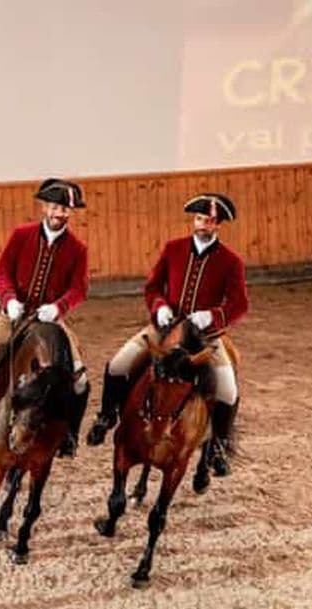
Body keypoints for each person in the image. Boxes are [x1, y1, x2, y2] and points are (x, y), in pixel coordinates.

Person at [87, 193, 248, 476]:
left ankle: (219, 445)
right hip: (165, 329)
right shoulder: (173, 249)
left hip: (205, 337)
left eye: (209, 221)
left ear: (217, 225)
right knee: (118, 364)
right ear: (193, 220)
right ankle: (106, 416)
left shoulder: (230, 261)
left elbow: (239, 304)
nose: (203, 225)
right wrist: (160, 307)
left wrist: (212, 315)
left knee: (228, 389)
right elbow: (153, 287)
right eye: (199, 219)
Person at [0, 178, 90, 457]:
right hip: (11, 316)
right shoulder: (21, 235)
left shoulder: (77, 249)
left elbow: (79, 288)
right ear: (44, 207)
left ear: (70, 213)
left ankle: (70, 436)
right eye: (54, 207)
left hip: (50, 322)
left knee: (79, 380)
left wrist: (58, 308)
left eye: (64, 210)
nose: (58, 214)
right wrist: (9, 300)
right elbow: (2, 273)